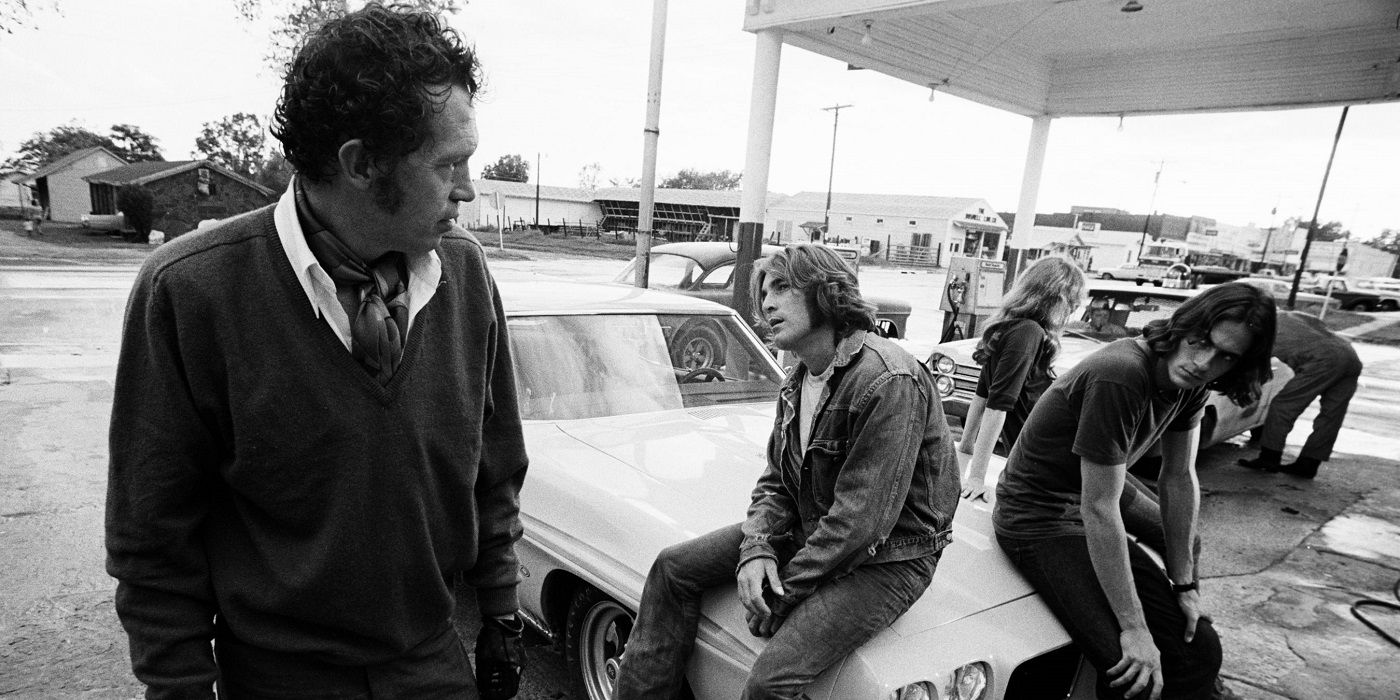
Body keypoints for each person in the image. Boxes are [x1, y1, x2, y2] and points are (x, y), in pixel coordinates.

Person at [105, 5, 530, 698]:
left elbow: (496, 467)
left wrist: (503, 615)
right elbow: (152, 538)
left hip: (432, 667)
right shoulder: (190, 292)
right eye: (448, 165)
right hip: (280, 677)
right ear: (360, 163)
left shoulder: (466, 275)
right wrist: (179, 687)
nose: (469, 190)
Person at [615, 244, 961, 699]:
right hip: (815, 523)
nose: (767, 304)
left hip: (893, 554)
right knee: (671, 568)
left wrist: (783, 593)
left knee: (769, 683)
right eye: (763, 293)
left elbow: (862, 522)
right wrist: (757, 548)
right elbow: (778, 481)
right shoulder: (798, 380)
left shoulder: (889, 379)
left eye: (782, 287)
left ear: (825, 291)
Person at [994, 282, 1276, 700]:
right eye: (1200, 342)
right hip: (1041, 512)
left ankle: (1188, 644)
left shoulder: (1192, 383)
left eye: (1226, 356)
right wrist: (1135, 628)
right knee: (1132, 674)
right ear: (1183, 327)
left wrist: (1184, 588)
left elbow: (1179, 477)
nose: (1202, 363)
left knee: (1199, 642)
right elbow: (1100, 509)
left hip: (1098, 484)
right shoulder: (1122, 373)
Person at [959, 255, 1087, 501]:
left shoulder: (1008, 329)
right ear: (1054, 297)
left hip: (1042, 458)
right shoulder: (1029, 332)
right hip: (1052, 459)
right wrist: (977, 476)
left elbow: (982, 395)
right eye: (1072, 301)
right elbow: (997, 406)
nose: (1073, 310)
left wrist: (966, 446)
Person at [1238, 310, 1362, 479]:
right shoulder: (1294, 315)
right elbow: (1320, 326)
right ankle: (1309, 464)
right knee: (1332, 416)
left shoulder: (1264, 330)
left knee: (1283, 407)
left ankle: (1269, 458)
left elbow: (1253, 363)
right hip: (1350, 354)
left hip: (1323, 359)